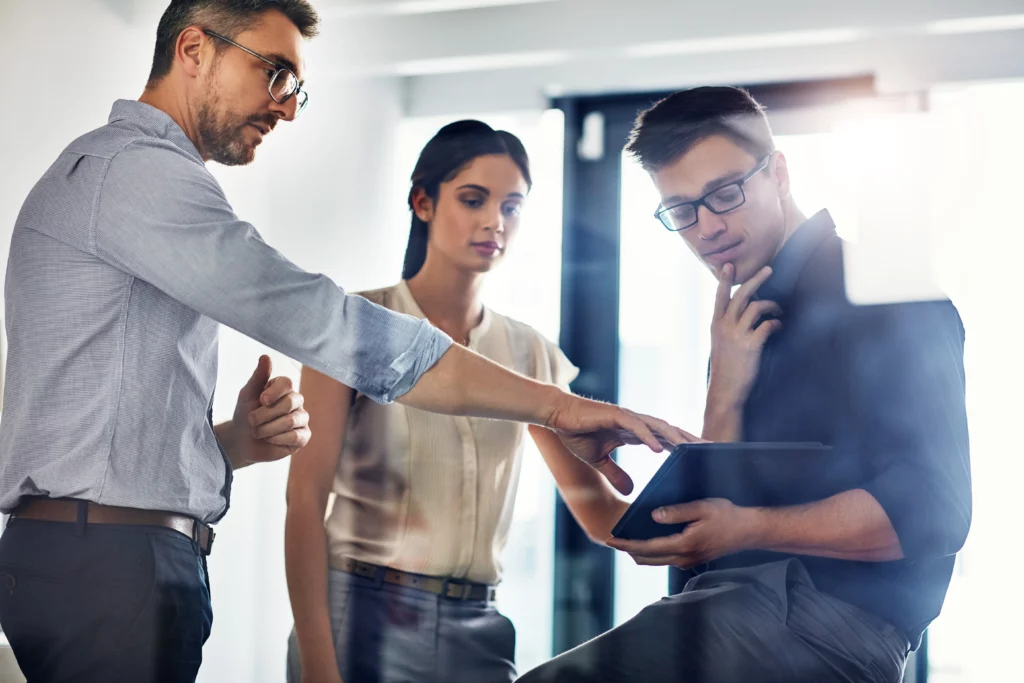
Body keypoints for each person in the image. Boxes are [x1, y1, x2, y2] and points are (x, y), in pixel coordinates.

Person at [0, 3, 693, 682]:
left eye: (296, 87)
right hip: (116, 564)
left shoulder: (122, 179)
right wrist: (559, 407)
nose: (289, 107)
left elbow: (97, 434)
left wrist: (233, 442)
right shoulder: (137, 174)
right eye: (276, 74)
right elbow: (327, 323)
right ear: (193, 50)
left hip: (113, 556)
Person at [518, 86, 971, 683]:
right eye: (681, 211)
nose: (706, 227)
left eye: (725, 194)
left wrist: (751, 526)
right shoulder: (738, 323)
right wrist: (724, 392)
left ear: (778, 173)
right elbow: (720, 515)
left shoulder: (894, 300)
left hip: (828, 629)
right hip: (723, 606)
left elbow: (936, 512)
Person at [285, 120, 636, 683]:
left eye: (512, 206)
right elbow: (304, 506)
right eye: (473, 200)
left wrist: (721, 525)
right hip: (363, 615)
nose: (494, 222)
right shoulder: (353, 322)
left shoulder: (531, 354)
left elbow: (600, 516)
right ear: (422, 202)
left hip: (482, 627)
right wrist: (319, 671)